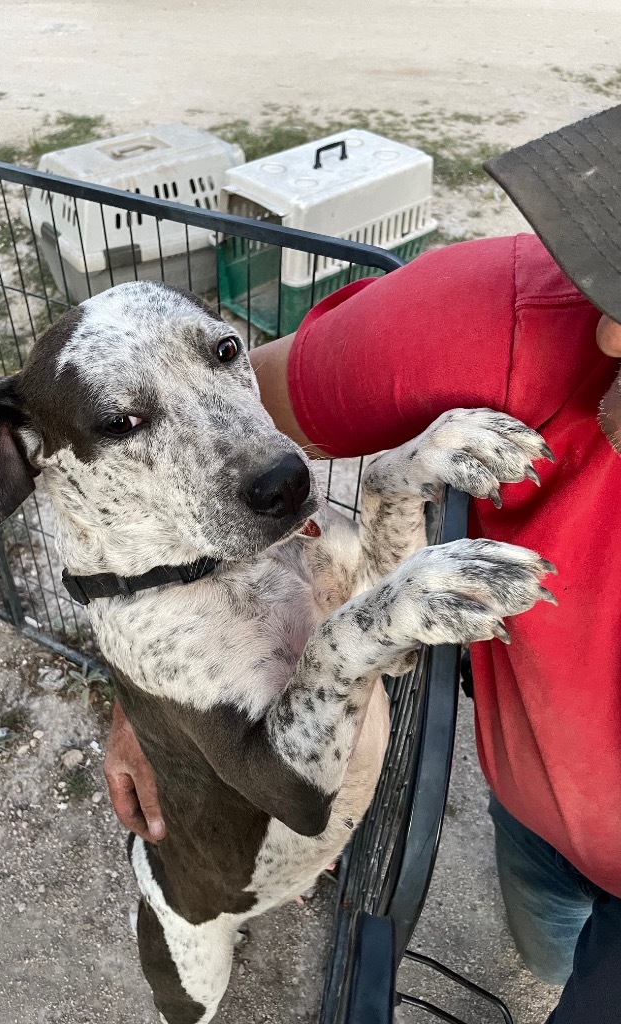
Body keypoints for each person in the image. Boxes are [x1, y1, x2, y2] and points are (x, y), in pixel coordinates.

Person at [105, 105, 621, 1023]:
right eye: (613, 279)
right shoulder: (500, 315)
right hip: (534, 804)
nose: (613, 338)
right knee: (545, 934)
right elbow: (228, 420)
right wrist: (146, 675)